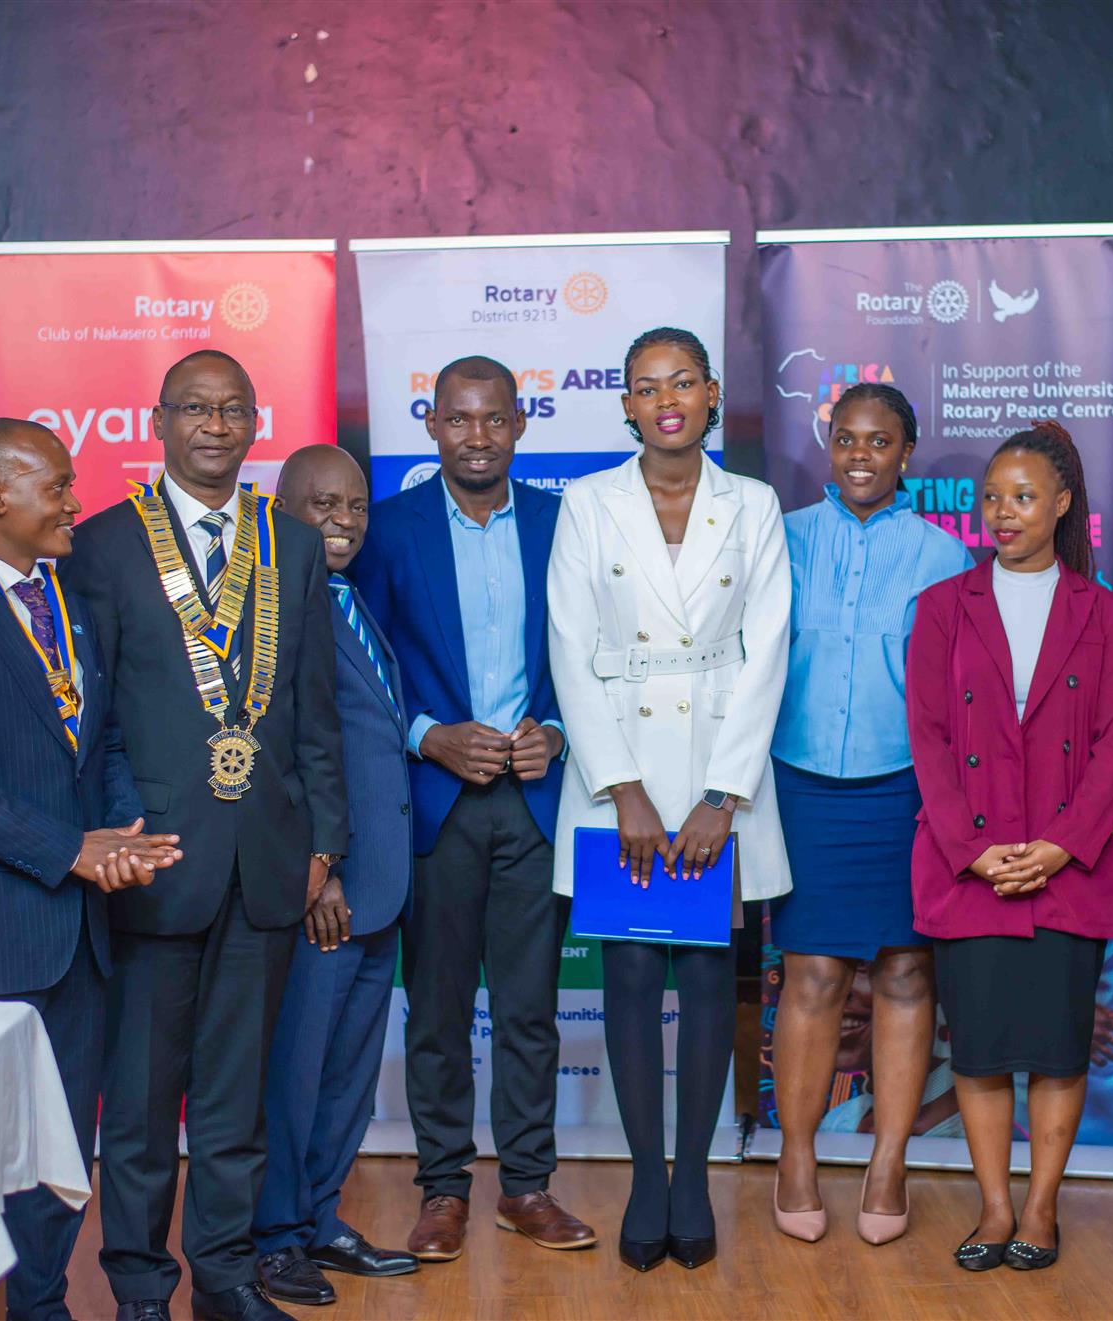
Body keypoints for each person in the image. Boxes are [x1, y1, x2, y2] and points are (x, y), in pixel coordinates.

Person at [63, 350, 348, 1321]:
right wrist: (120, 832)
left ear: (255, 423)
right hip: (154, 861)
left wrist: (324, 845)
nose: (215, 426)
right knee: (143, 1103)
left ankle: (224, 1278)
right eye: (195, 408)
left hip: (269, 861)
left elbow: (317, 712)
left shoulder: (291, 544)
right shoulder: (103, 545)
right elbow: (96, 716)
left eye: (232, 410)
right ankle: (141, 1288)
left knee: (237, 1095)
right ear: (160, 422)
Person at [0, 418, 181, 1321]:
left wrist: (123, 834)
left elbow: (100, 739)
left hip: (82, 932)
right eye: (57, 486)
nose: (75, 501)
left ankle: (41, 1304)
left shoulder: (68, 597)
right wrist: (68, 851)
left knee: (61, 1143)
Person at [546, 326, 791, 1273]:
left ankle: (694, 1176)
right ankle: (647, 1177)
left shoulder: (754, 503)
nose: (667, 400)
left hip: (721, 774)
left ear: (712, 391)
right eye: (647, 387)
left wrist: (722, 796)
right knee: (633, 976)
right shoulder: (588, 501)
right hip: (623, 776)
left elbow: (768, 649)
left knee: (708, 980)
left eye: (682, 381)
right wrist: (625, 789)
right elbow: (570, 647)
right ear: (626, 406)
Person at [353, 355, 594, 1262]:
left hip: (534, 802)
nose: (478, 436)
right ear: (432, 424)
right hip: (435, 802)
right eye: (459, 419)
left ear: (522, 423)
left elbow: (595, 655)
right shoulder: (389, 529)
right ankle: (444, 1189)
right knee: (438, 1008)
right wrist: (427, 735)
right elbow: (362, 665)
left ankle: (526, 1186)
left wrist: (558, 732)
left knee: (530, 1008)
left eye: (494, 418)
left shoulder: (565, 523)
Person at [906, 424, 1113, 1273]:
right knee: (980, 1049)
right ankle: (995, 1207)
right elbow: (928, 737)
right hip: (970, 868)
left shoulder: (1101, 610)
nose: (1003, 512)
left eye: (1025, 496)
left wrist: (1062, 845)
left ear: (1063, 503)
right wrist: (972, 848)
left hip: (1067, 869)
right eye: (993, 497)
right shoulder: (943, 605)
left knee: (1057, 1049)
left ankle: (1041, 1206)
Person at [766, 381, 971, 1245]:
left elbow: (960, 694)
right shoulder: (781, 537)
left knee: (906, 973)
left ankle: (889, 1160)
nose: (860, 455)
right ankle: (798, 1157)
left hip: (905, 790)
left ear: (906, 451)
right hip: (802, 782)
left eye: (879, 441)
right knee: (812, 974)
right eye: (846, 438)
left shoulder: (944, 556)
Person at [253, 445, 420, 1303]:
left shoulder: (347, 597)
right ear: (282, 509)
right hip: (326, 891)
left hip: (379, 886)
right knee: (297, 1071)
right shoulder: (273, 609)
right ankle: (274, 1236)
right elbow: (279, 756)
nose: (344, 519)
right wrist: (318, 874)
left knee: (348, 1072)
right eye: (324, 504)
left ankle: (318, 1216)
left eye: (355, 504)